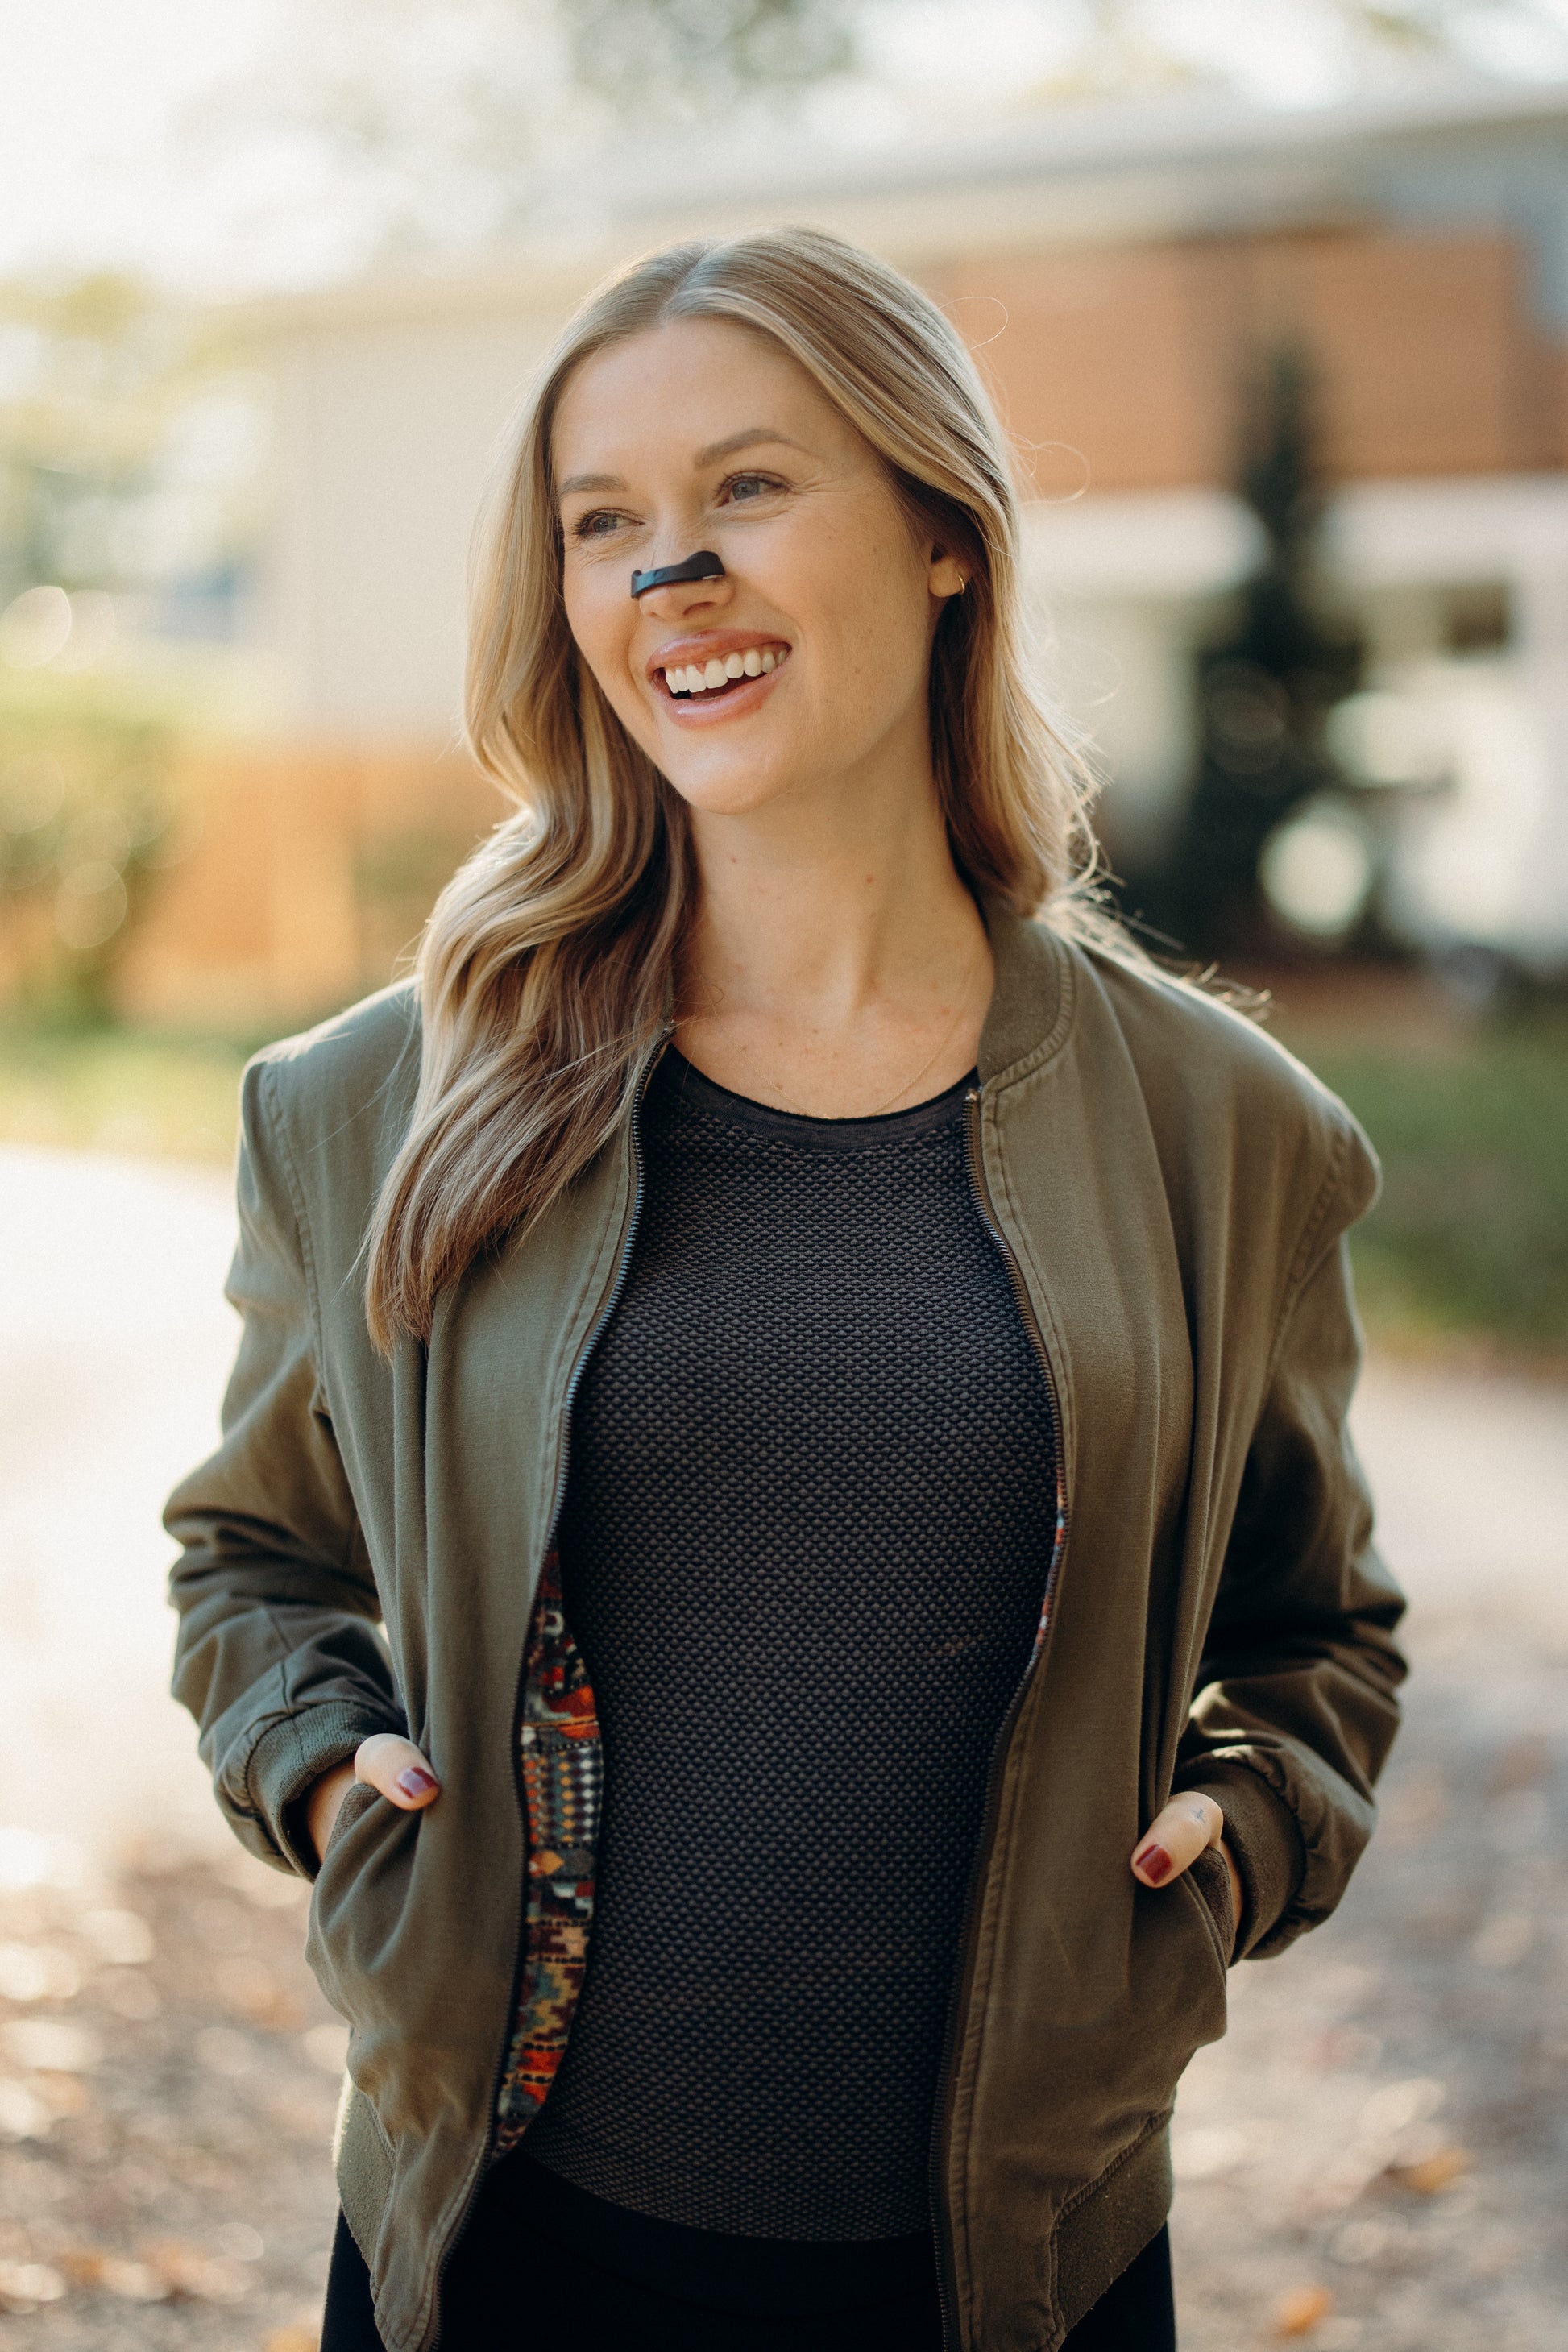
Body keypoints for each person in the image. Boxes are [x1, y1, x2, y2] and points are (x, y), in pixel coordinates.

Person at [167, 227, 1405, 2352]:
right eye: (604, 526)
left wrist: (1240, 1836)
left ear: (938, 530)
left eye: (746, 490)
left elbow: (1317, 1639)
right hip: (506, 2254)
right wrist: (317, 1766)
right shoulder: (371, 1108)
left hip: (1018, 2277)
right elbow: (253, 1564)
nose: (671, 579)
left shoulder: (1225, 1132)